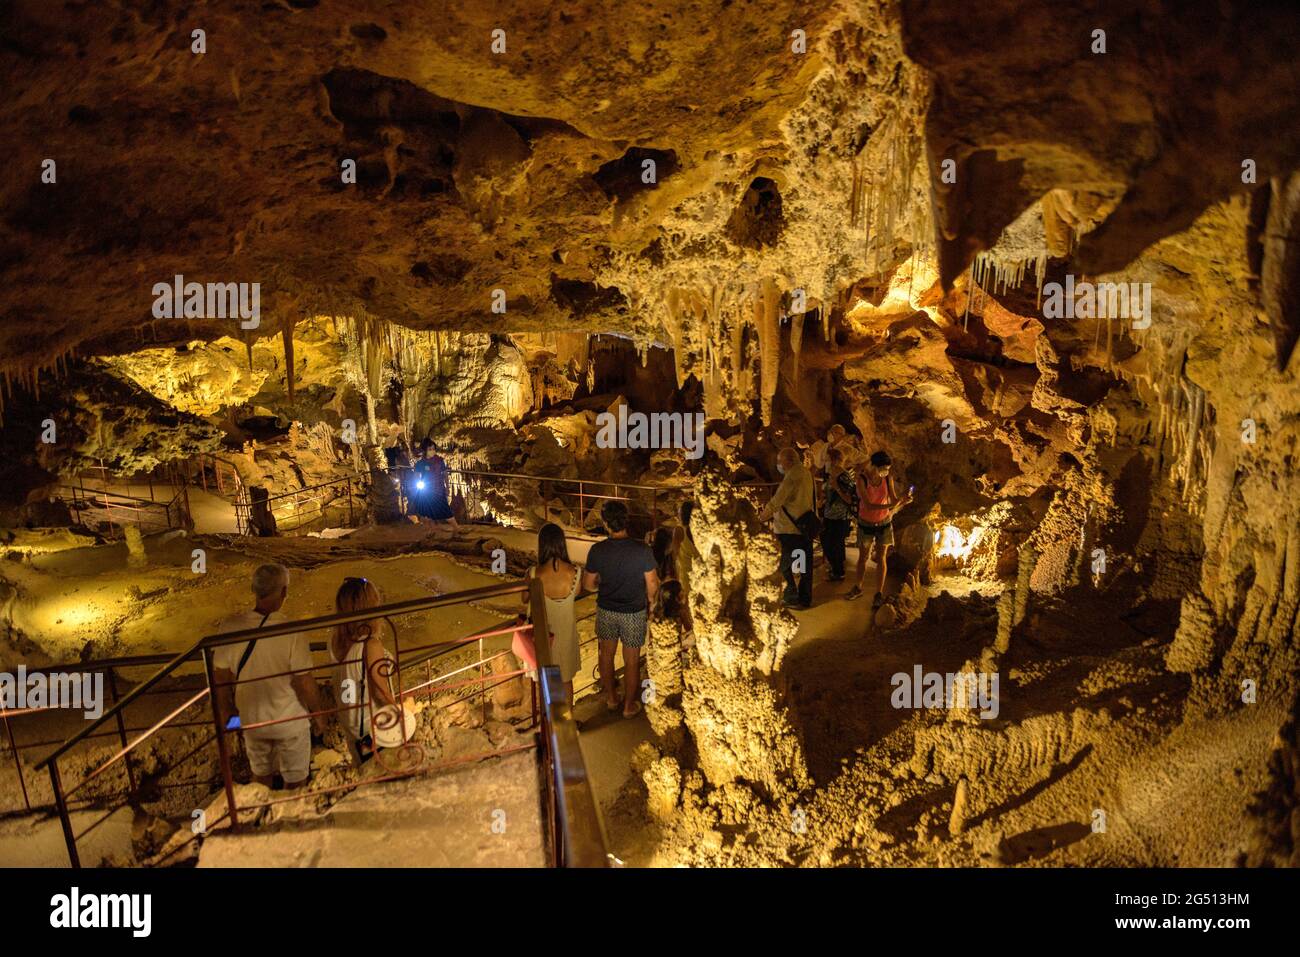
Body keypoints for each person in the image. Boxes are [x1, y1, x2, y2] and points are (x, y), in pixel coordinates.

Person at [213, 564, 324, 789]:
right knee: (296, 781)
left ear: (254, 590)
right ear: (284, 592)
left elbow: (221, 676)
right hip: (290, 721)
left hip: (253, 719)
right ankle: (292, 819)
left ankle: (263, 817)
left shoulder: (230, 627)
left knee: (261, 778)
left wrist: (226, 710)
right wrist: (319, 712)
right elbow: (304, 681)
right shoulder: (292, 629)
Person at [583, 500, 659, 718]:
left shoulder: (597, 550)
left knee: (605, 656)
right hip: (634, 612)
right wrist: (652, 606)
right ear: (626, 521)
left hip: (607, 609)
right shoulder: (642, 551)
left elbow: (588, 585)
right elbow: (652, 585)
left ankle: (611, 699)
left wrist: (603, 585)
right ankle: (628, 706)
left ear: (606, 524)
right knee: (632, 660)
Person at [330, 577, 401, 765]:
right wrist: (401, 716)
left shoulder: (335, 642)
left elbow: (350, 684)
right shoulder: (370, 645)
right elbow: (379, 691)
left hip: (352, 727)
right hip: (374, 730)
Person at [519, 523, 582, 705]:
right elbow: (576, 593)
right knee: (566, 680)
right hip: (566, 634)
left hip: (544, 637)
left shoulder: (532, 573)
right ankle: (568, 722)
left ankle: (552, 725)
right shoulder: (576, 572)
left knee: (548, 682)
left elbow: (524, 598)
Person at [847, 450, 913, 607]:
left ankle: (878, 593)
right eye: (884, 468)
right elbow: (868, 505)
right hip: (866, 523)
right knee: (863, 557)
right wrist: (890, 505)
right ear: (874, 466)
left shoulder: (887, 478)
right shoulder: (862, 479)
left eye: (888, 468)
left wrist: (903, 500)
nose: (887, 471)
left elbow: (894, 499)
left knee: (882, 558)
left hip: (884, 523)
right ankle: (858, 587)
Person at [759, 447, 815, 609]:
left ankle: (791, 595)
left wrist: (761, 518)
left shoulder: (791, 477)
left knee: (782, 564)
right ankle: (805, 599)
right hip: (804, 525)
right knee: (804, 565)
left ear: (789, 461)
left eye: (780, 461)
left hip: (789, 529)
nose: (778, 464)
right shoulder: (806, 472)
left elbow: (776, 502)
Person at [820, 446, 856, 581]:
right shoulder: (830, 475)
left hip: (841, 516)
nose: (826, 463)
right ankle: (836, 569)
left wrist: (837, 488)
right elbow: (826, 492)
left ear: (835, 460)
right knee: (827, 541)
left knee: (835, 543)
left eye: (828, 460)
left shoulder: (844, 476)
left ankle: (838, 571)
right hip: (829, 514)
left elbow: (850, 498)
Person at [410, 440, 458, 531]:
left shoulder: (439, 461)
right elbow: (416, 476)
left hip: (439, 490)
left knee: (445, 510)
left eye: (433, 449)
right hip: (426, 491)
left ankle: (456, 528)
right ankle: (431, 530)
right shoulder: (420, 463)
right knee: (427, 512)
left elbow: (445, 474)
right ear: (425, 450)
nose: (432, 451)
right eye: (430, 449)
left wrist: (447, 487)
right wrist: (418, 485)